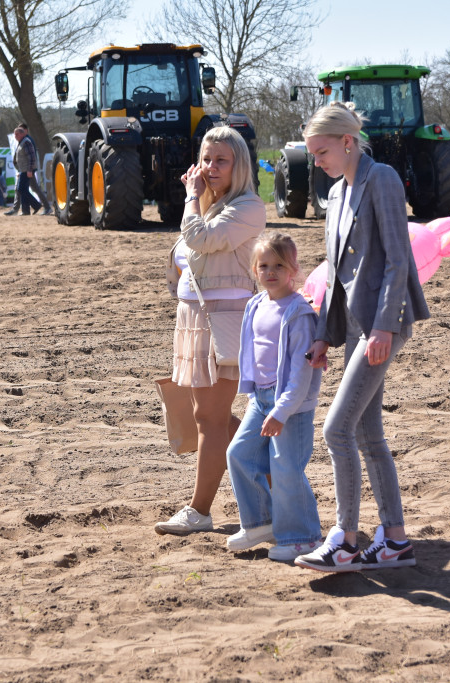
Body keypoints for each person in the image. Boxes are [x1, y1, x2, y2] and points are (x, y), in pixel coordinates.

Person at [293, 102, 430, 573]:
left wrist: (385, 326)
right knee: (369, 433)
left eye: (321, 152)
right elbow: (335, 274)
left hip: (380, 325)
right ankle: (395, 541)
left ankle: (345, 541)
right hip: (353, 327)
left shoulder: (382, 179)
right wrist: (323, 336)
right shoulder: (335, 194)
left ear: (348, 142)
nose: (316, 161)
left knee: (337, 429)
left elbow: (397, 259)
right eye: (313, 153)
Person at [155, 126, 266, 535]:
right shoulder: (208, 206)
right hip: (195, 318)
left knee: (210, 418)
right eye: (206, 159)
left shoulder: (247, 207)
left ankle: (199, 510)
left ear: (239, 165)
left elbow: (200, 240)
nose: (210, 167)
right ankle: (275, 480)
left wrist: (190, 197)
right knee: (209, 415)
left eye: (221, 160)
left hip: (226, 319)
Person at [225, 232, 323, 562]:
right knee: (239, 453)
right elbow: (252, 351)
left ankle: (304, 537)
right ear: (254, 269)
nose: (270, 272)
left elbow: (301, 373)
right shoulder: (256, 304)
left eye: (279, 265)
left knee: (286, 468)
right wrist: (253, 392)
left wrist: (281, 411)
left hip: (291, 406)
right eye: (264, 265)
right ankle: (260, 522)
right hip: (260, 399)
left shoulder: (299, 313)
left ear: (293, 269)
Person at [6, 125, 51, 216]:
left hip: (27, 170)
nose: (15, 136)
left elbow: (31, 157)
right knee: (27, 189)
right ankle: (26, 210)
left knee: (21, 189)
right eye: (14, 134)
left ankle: (37, 206)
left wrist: (29, 170)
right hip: (23, 170)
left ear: (23, 133)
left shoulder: (26, 142)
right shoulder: (21, 142)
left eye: (17, 134)